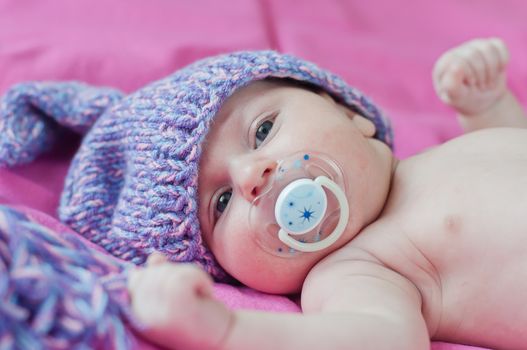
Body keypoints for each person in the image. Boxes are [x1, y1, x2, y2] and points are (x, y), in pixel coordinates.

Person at [127, 37, 527, 350]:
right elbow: (382, 338)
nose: (250, 175)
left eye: (263, 131)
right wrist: (225, 329)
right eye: (222, 202)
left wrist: (489, 108)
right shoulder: (355, 270)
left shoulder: (435, 158)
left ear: (349, 113)